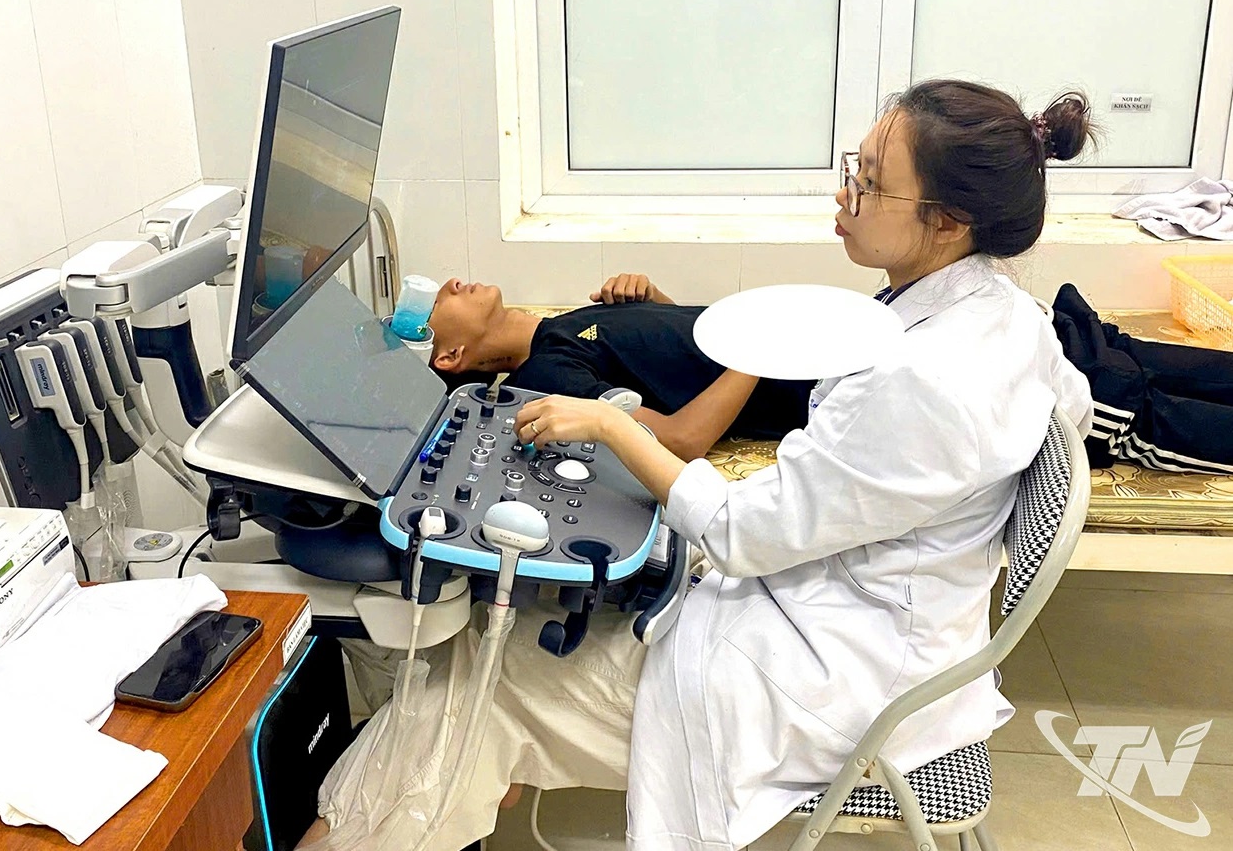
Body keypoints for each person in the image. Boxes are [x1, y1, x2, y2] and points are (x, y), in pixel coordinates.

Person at [306, 80, 1097, 851]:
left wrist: (610, 427)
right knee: (496, 650)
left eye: (870, 181)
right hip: (877, 626)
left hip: (834, 683)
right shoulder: (1008, 313)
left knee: (472, 686)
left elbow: (743, 533)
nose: (845, 193)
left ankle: (412, 794)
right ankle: (448, 791)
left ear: (949, 221)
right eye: (854, 167)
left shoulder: (919, 382)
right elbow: (1075, 407)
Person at [426, 275, 812, 459]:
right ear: (452, 356)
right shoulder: (545, 375)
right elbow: (680, 441)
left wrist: (654, 302)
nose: (452, 283)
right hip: (804, 385)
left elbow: (679, 364)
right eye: (436, 302)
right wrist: (758, 348)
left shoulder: (557, 327)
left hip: (798, 345)